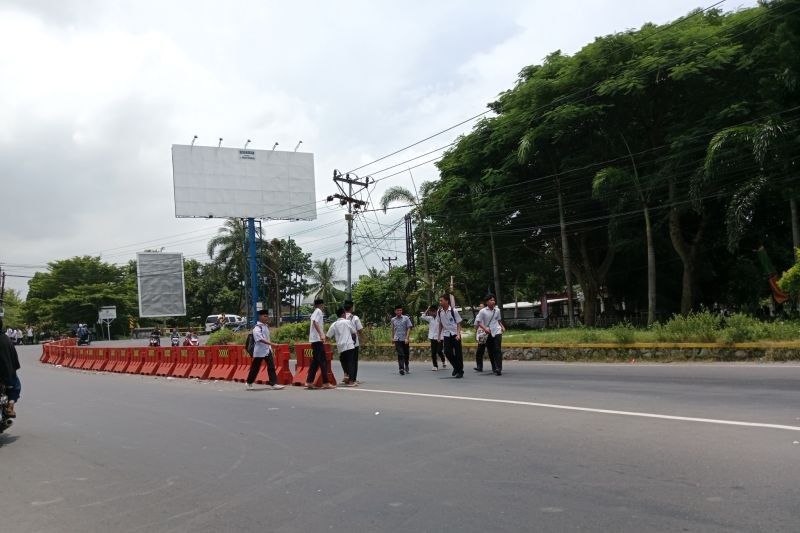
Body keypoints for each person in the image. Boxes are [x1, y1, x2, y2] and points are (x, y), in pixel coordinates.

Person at [246, 309, 285, 390]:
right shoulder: (257, 328)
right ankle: (249, 382)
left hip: (267, 350)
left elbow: (267, 338)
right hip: (259, 352)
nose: (266, 318)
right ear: (260, 317)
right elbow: (260, 339)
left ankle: (273, 383)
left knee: (271, 366)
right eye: (265, 316)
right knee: (255, 368)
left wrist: (270, 346)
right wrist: (272, 344)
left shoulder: (265, 326)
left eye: (267, 316)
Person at [306, 299, 334, 389]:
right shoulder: (318, 311)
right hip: (317, 340)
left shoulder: (315, 311)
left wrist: (322, 333)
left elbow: (315, 323)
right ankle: (326, 383)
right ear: (321, 305)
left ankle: (309, 381)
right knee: (323, 361)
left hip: (315, 340)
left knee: (316, 362)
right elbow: (315, 322)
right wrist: (321, 334)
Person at [326, 307, 357, 387]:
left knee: (344, 362)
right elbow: (354, 331)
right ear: (343, 314)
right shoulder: (347, 322)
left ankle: (346, 375)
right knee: (351, 363)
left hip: (340, 346)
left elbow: (328, 336)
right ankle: (351, 381)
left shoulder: (334, 324)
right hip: (349, 345)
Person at [475, 294, 506, 376]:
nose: (493, 302)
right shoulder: (482, 311)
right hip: (487, 333)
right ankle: (494, 367)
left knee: (497, 349)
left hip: (497, 331)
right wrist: (485, 329)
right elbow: (478, 322)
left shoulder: (497, 310)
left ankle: (499, 368)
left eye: (494, 300)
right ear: (487, 302)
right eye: (491, 300)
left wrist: (502, 327)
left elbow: (498, 320)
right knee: (491, 351)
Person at [437, 294, 464, 378]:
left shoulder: (453, 311)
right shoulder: (439, 312)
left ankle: (460, 371)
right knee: (447, 352)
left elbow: (459, 323)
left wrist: (458, 334)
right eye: (440, 300)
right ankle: (456, 367)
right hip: (446, 335)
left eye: (441, 300)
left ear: (447, 301)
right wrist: (438, 336)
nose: (440, 302)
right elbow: (440, 324)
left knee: (458, 354)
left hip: (455, 334)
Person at [0, 320, 20, 418]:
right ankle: (10, 405)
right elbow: (14, 359)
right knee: (16, 385)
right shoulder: (7, 339)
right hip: (6, 374)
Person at [343, 301, 364, 384]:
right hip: (354, 343)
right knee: (353, 362)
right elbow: (360, 329)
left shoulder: (341, 318)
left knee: (345, 360)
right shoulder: (355, 318)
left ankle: (346, 375)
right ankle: (353, 379)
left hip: (344, 342)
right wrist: (363, 338)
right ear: (351, 308)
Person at [421, 305, 446, 371]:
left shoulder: (440, 317)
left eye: (430, 312)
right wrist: (428, 308)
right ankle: (435, 366)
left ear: (434, 311)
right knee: (433, 353)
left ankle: (443, 360)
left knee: (439, 351)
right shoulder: (430, 318)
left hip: (440, 337)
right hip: (432, 337)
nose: (429, 313)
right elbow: (423, 316)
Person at [391, 305, 413, 375]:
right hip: (397, 339)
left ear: (402, 311)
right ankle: (401, 368)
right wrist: (392, 338)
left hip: (405, 339)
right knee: (400, 354)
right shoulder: (393, 319)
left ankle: (406, 365)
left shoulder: (406, 318)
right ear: (395, 311)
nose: (399, 312)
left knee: (406, 354)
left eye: (400, 310)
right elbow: (393, 329)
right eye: (398, 310)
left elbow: (409, 328)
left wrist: (407, 338)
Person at [473, 302, 488, 372]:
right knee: (479, 352)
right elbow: (475, 326)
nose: (480, 308)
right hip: (481, 335)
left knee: (492, 351)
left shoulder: (488, 314)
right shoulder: (478, 316)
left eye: (481, 307)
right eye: (479, 307)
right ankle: (479, 366)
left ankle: (496, 367)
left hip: (488, 333)